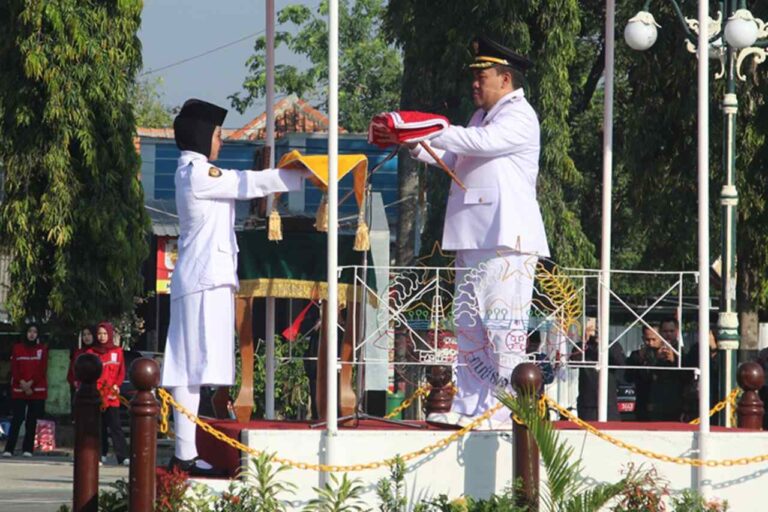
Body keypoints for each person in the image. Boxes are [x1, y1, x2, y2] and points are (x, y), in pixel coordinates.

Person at [372, 36, 549, 427]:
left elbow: (479, 144)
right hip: (474, 237)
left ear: (505, 79)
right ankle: (470, 406)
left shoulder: (519, 115)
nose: (474, 84)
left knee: (502, 329)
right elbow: (453, 157)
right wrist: (413, 142)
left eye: (481, 77)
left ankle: (503, 410)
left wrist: (428, 127)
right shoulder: (480, 118)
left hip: (506, 240)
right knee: (469, 329)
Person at [162, 99, 307, 474]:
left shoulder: (192, 172)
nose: (221, 141)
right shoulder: (198, 173)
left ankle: (184, 453)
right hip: (204, 279)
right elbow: (247, 183)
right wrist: (298, 175)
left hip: (200, 278)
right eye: (217, 135)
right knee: (190, 369)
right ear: (201, 137)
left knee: (189, 369)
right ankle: (184, 455)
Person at [3, 324, 48, 457]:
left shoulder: (42, 349)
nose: (32, 334)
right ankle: (9, 449)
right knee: (17, 419)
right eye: (29, 331)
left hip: (36, 390)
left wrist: (31, 384)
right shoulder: (17, 348)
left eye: (35, 332)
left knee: (31, 420)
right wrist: (22, 383)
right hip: (19, 389)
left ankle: (28, 449)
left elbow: (41, 369)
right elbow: (14, 368)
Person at [91, 322, 129, 465]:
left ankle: (123, 456)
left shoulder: (117, 351)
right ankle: (100, 454)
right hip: (97, 394)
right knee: (98, 426)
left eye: (105, 334)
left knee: (115, 426)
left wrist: (116, 385)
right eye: (99, 334)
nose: (102, 337)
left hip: (112, 395)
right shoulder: (91, 353)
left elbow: (121, 372)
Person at [572, 332, 627, 421]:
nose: (596, 331)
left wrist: (603, 343)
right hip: (587, 403)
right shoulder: (582, 346)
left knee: (612, 427)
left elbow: (621, 362)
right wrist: (584, 342)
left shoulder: (613, 345)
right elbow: (573, 363)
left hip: (609, 402)